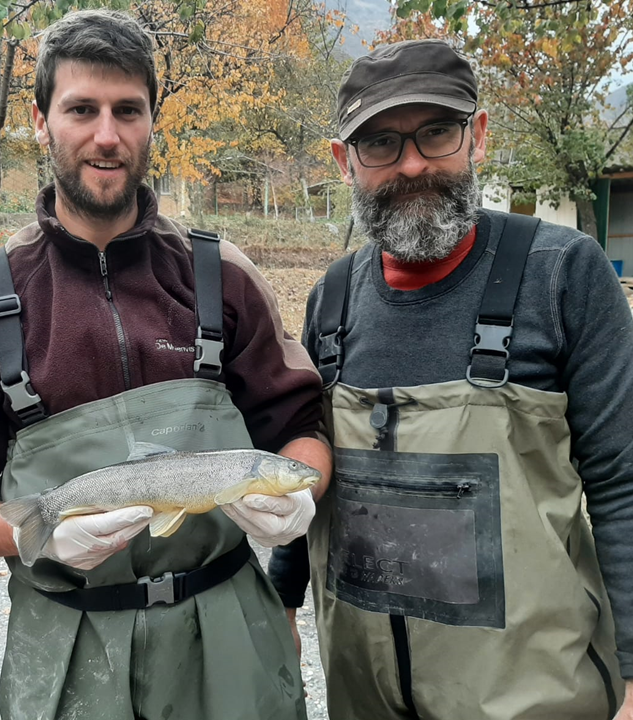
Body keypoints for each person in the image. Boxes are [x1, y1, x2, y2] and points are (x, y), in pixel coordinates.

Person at [0, 9, 332, 720]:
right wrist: (24, 532)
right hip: (68, 648)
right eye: (82, 110)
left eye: (127, 110)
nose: (107, 135)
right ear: (40, 121)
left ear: (152, 121)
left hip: (226, 639)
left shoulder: (222, 276)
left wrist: (300, 497)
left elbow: (301, 427)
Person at [269, 39, 633, 720]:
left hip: (535, 697)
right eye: (380, 142)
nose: (412, 164)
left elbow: (624, 486)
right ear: (342, 161)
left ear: (480, 135)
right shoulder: (331, 301)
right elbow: (304, 479)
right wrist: (282, 602)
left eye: (437, 132)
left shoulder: (562, 275)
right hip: (364, 693)